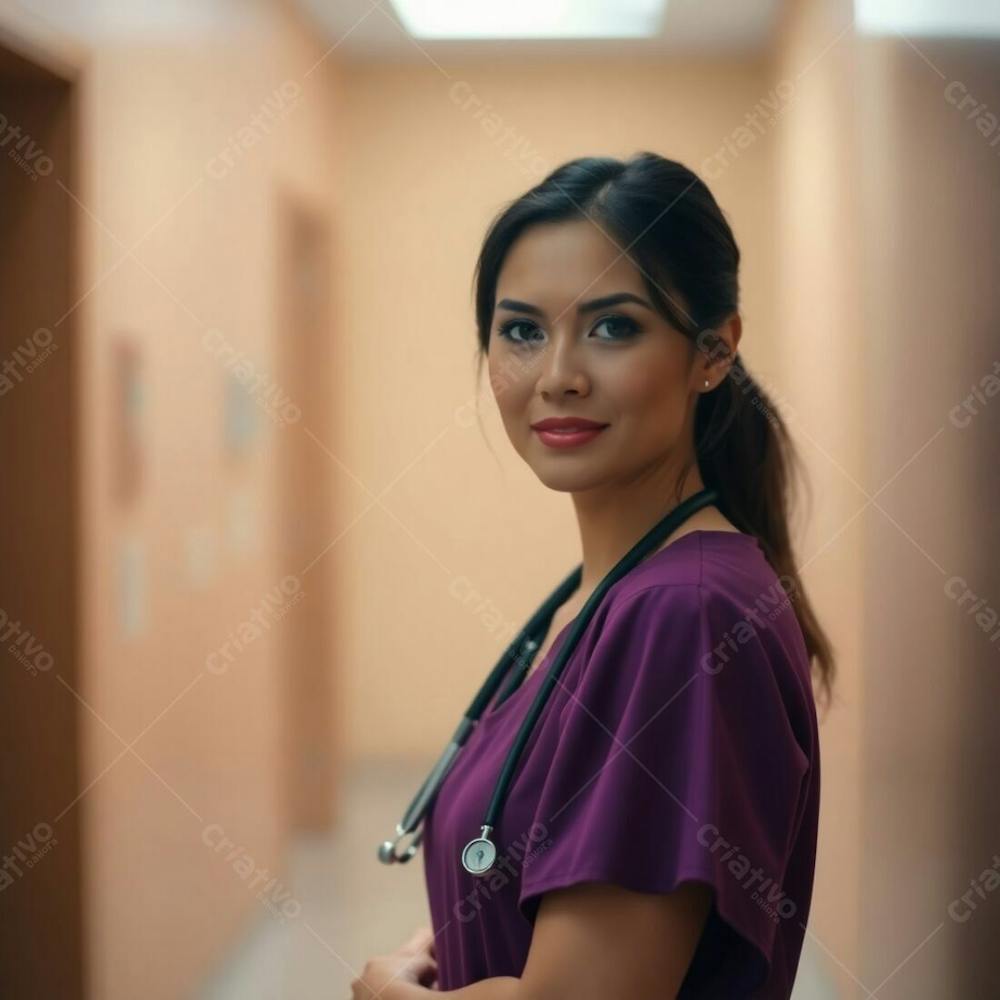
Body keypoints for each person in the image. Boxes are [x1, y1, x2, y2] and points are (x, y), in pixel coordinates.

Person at [352, 151, 835, 1000]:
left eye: (613, 327)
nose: (558, 375)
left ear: (713, 353)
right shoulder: (617, 593)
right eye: (522, 330)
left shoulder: (683, 617)